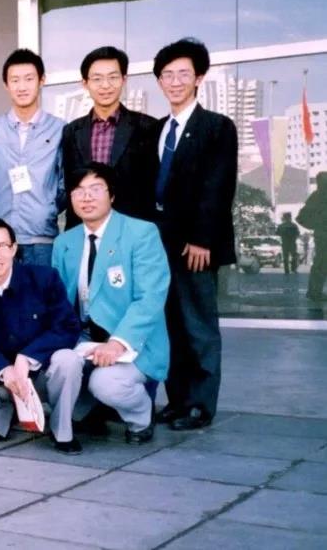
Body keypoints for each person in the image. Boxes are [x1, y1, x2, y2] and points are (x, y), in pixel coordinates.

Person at [51, 165, 170, 453]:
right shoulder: (64, 242)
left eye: (96, 190)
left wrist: (117, 343)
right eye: (79, 191)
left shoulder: (141, 233)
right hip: (83, 340)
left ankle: (141, 418)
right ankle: (85, 409)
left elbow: (150, 298)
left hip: (131, 342)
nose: (86, 198)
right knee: (51, 370)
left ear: (112, 195)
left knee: (106, 384)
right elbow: (58, 302)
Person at [151, 38, 238, 431]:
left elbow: (218, 186)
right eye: (167, 75)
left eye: (183, 74)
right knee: (171, 324)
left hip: (195, 246)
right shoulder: (157, 129)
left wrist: (203, 238)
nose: (175, 82)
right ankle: (178, 400)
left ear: (199, 78)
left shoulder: (216, 127)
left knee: (198, 325)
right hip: (160, 245)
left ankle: (201, 405)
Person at [0, 217, 80, 442]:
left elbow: (67, 326)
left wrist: (28, 357)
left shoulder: (44, 278)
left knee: (69, 360)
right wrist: (3, 370)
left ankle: (62, 430)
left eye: (3, 246)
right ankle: (6, 417)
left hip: (42, 373)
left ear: (13, 249)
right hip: (2, 380)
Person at [0, 49, 65, 267]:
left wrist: (47, 209)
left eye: (29, 79)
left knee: (41, 290)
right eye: (15, 80)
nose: (22, 86)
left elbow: (64, 184)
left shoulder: (59, 129)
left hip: (41, 239)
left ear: (42, 80)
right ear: (6, 85)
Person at [61, 46, 159, 228]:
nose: (105, 85)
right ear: (85, 83)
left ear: (124, 80)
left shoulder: (148, 127)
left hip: (133, 230)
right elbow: (69, 186)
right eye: (97, 79)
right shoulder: (71, 131)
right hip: (84, 230)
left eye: (113, 77)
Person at [298, 172, 327, 301]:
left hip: (322, 234)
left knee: (321, 264)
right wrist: (318, 225)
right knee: (321, 264)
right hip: (323, 236)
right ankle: (314, 292)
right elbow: (301, 217)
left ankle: (315, 292)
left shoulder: (316, 196)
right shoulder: (316, 196)